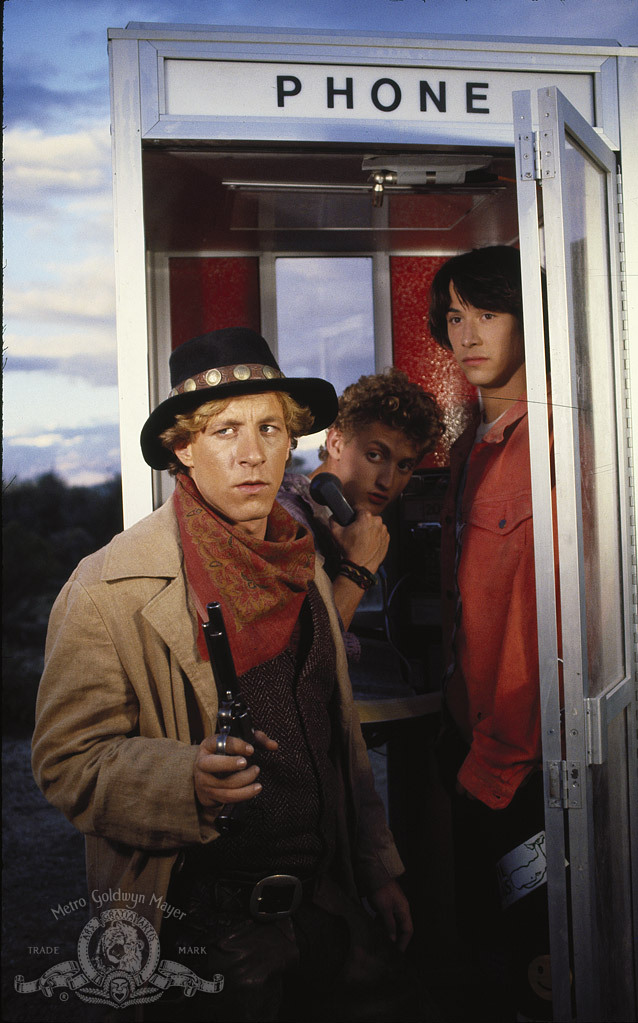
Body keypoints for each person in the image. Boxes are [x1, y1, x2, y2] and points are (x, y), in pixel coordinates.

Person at [32, 328, 419, 1022]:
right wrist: (183, 777)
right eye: (224, 430)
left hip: (325, 915)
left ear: (292, 440)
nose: (252, 452)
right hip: (202, 936)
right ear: (183, 446)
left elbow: (341, 744)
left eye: (269, 427)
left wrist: (377, 870)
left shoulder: (301, 562)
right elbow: (65, 762)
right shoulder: (105, 588)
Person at [428, 247, 553, 1021]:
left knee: (528, 962)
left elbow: (540, 627)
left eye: (487, 312)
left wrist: (494, 765)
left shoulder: (547, 447)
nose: (467, 334)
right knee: (482, 950)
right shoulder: (479, 446)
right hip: (471, 738)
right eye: (454, 317)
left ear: (528, 317)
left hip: (519, 764)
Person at [278, 368, 445, 633]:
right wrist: (359, 568)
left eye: (404, 465)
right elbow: (308, 656)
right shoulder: (289, 516)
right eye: (375, 456)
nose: (387, 481)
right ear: (336, 443)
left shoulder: (356, 524)